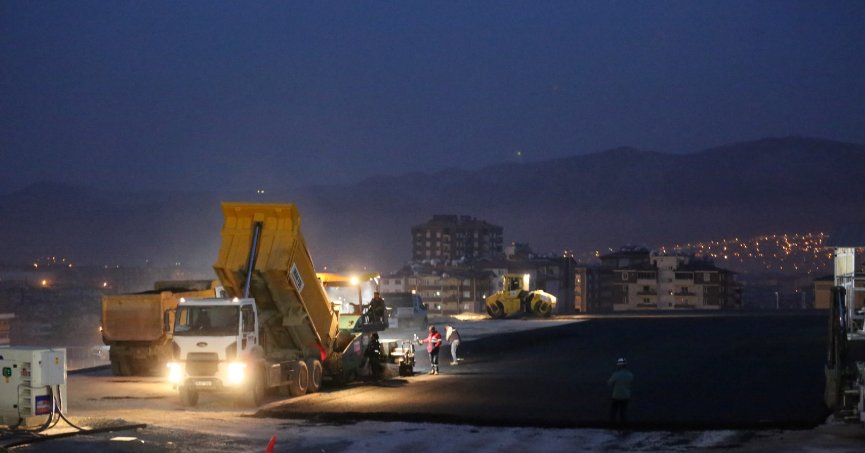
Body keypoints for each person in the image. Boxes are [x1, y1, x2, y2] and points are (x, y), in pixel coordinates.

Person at [607, 357, 634, 426]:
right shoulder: (630, 374)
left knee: (613, 412)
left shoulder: (616, 374)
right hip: (626, 396)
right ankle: (623, 427)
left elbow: (609, 383)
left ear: (619, 365)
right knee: (623, 413)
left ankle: (612, 426)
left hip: (616, 396)